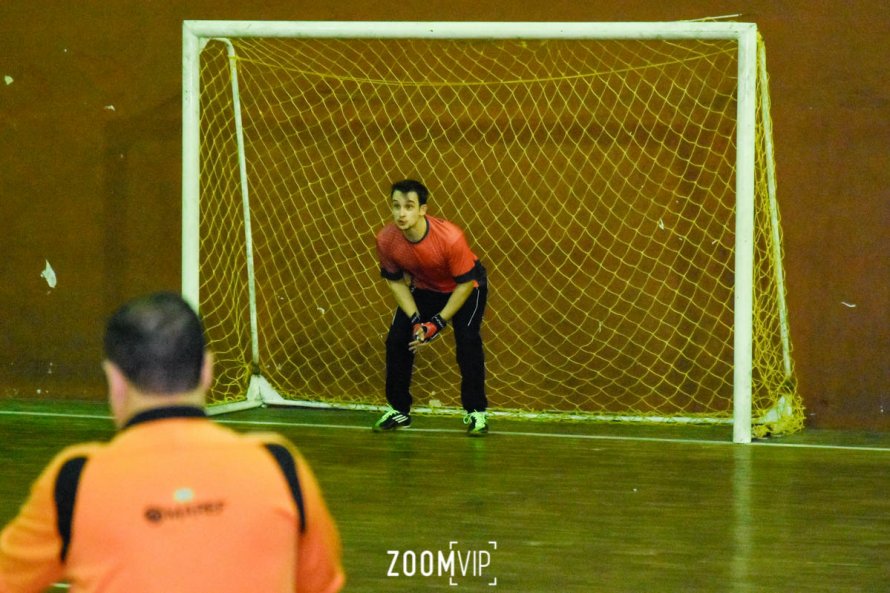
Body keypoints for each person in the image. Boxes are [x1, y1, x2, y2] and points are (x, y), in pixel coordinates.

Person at [0, 292, 345, 593]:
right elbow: (321, 583)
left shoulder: (74, 479)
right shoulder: (279, 464)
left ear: (114, 381)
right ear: (207, 370)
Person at [373, 179, 490, 436]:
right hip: (426, 288)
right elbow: (396, 282)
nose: (401, 213)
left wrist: (436, 323)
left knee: (468, 340)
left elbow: (464, 285)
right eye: (396, 206)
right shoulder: (386, 239)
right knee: (397, 340)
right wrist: (416, 319)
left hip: (467, 288)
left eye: (409, 206)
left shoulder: (450, 238)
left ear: (422, 210)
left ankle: (476, 412)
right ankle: (399, 410)